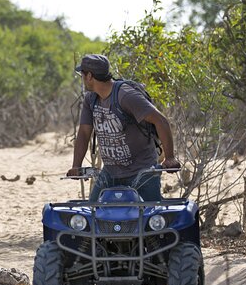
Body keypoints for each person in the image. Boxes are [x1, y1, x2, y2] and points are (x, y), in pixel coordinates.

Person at [67, 54, 180, 202]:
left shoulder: (125, 95)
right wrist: (76, 165)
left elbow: (161, 121)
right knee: (94, 212)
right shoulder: (91, 99)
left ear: (89, 76)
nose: (82, 78)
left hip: (142, 172)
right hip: (110, 173)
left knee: (150, 217)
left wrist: (170, 158)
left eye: (82, 74)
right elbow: (83, 132)